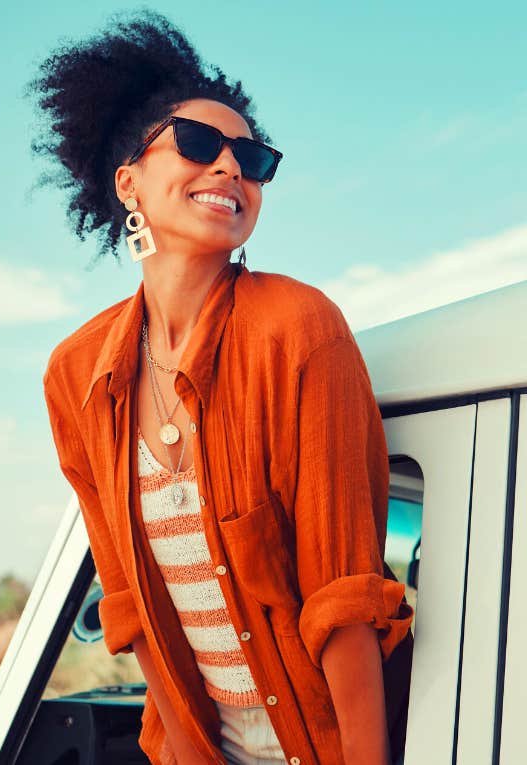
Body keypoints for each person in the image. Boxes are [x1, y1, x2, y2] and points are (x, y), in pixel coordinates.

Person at [35, 12, 411, 765]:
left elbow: (345, 600)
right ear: (128, 180)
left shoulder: (299, 327)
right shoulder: (77, 375)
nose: (230, 168)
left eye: (253, 157)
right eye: (200, 145)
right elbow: (133, 612)